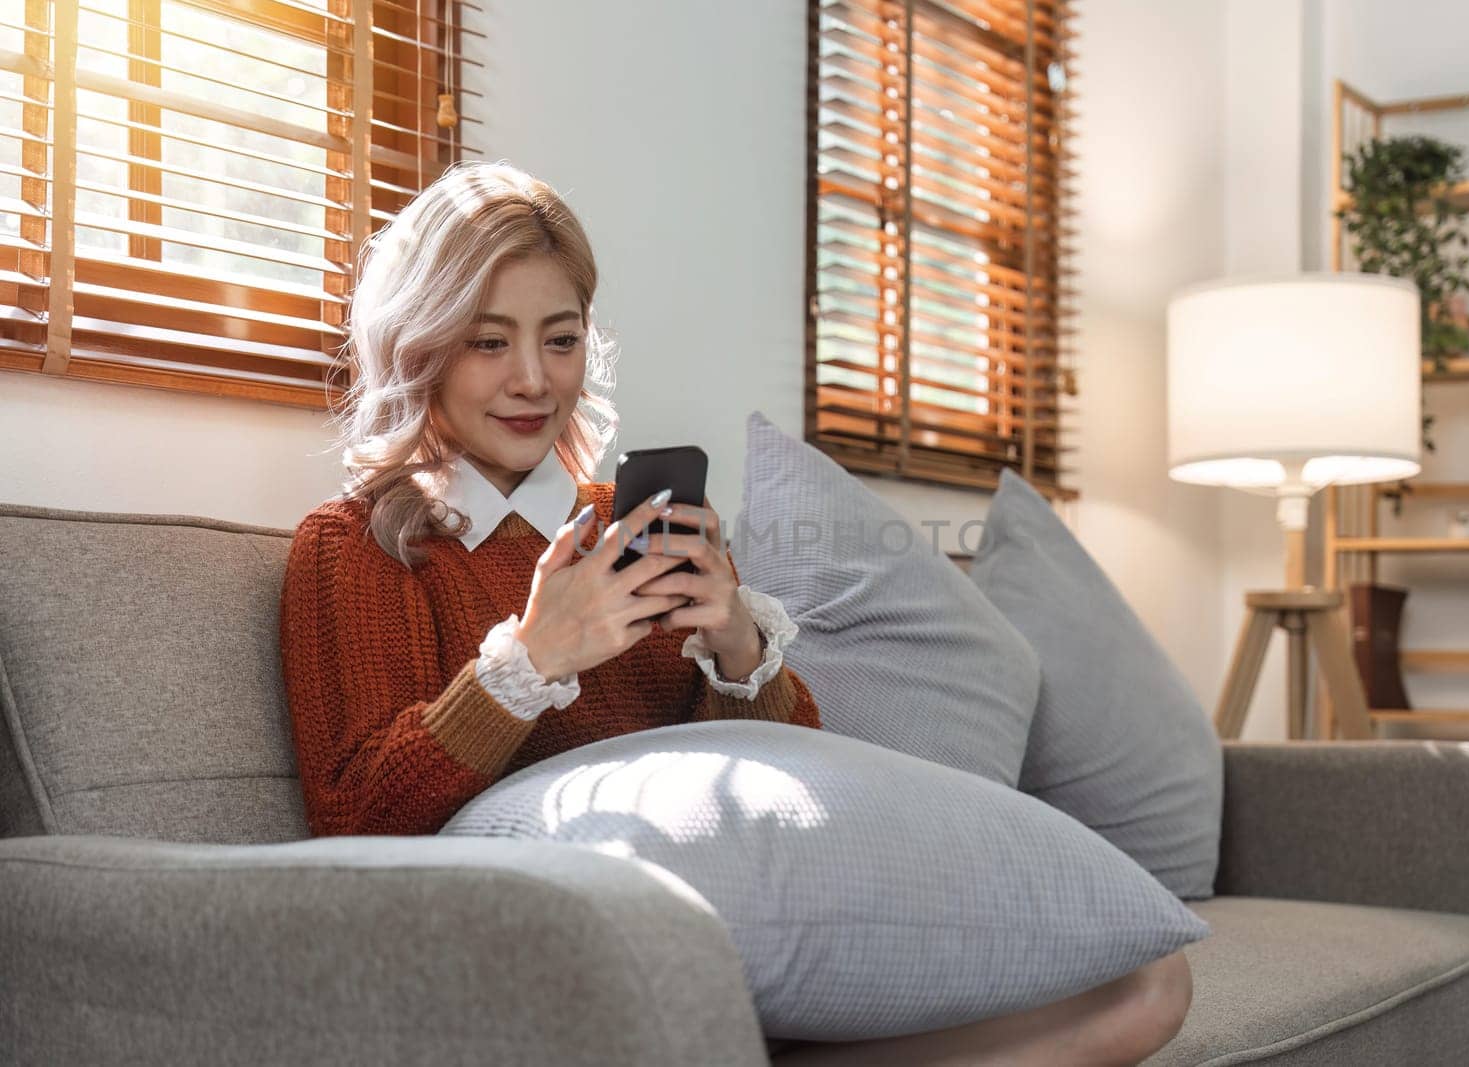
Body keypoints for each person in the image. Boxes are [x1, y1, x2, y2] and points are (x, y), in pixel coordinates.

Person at [277, 159, 1190, 1065]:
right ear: (420, 344)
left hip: (747, 940)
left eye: (559, 341)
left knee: (1149, 986)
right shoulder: (360, 544)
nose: (531, 380)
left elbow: (778, 765)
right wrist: (530, 659)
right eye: (488, 342)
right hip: (573, 960)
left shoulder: (625, 524)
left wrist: (737, 645)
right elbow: (356, 824)